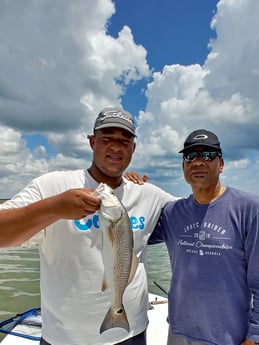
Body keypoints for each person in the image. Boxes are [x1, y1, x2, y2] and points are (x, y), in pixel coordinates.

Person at [0, 107, 175, 345]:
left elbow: (196, 214)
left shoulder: (149, 195)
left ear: (133, 149)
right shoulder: (52, 185)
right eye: (107, 138)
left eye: (125, 141)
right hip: (64, 338)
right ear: (92, 142)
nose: (116, 146)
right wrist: (54, 208)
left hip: (132, 333)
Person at [149, 129, 259, 345]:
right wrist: (130, 186)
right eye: (190, 156)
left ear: (221, 164)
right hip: (178, 331)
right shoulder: (172, 213)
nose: (198, 161)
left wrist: (256, 336)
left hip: (228, 337)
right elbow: (131, 236)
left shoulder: (250, 209)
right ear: (183, 166)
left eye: (208, 155)